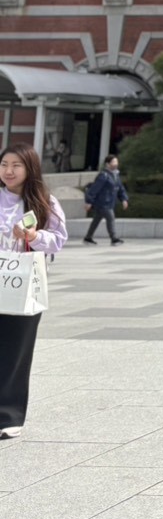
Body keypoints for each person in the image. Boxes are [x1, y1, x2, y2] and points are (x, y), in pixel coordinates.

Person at [0, 143, 67, 440]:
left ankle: (8, 415)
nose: (9, 171)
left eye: (16, 165)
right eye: (4, 164)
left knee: (16, 348)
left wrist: (34, 235)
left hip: (23, 283)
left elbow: (58, 240)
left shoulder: (43, 202)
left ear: (30, 169)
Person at [82, 155, 128, 245]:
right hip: (103, 203)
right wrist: (89, 201)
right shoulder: (103, 176)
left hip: (109, 202)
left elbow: (120, 188)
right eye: (114, 162)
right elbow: (94, 189)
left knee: (96, 220)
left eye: (116, 162)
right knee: (110, 218)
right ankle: (114, 238)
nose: (116, 164)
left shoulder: (115, 175)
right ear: (107, 164)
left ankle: (88, 237)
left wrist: (124, 199)